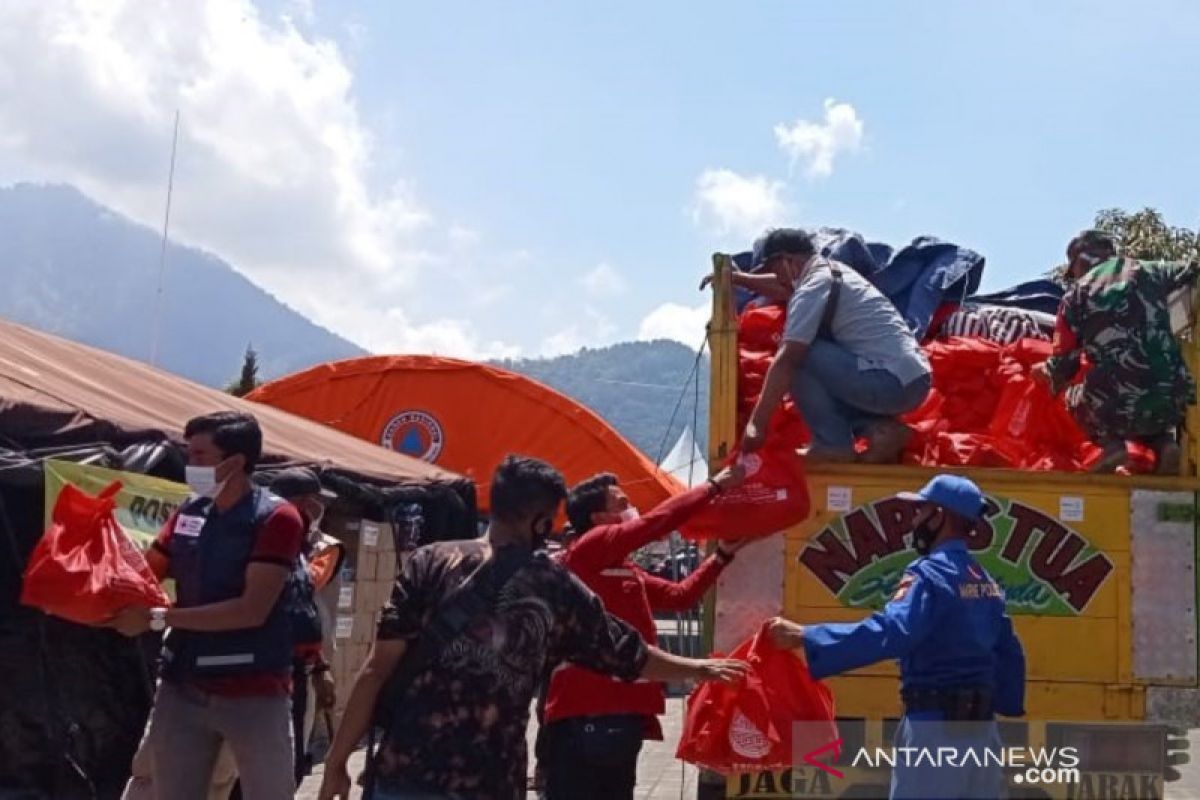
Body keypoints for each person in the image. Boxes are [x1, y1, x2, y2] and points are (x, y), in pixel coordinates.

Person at [317, 455, 749, 800]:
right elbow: (631, 657)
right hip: (491, 780)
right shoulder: (553, 583)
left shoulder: (429, 561)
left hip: (403, 772)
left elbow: (376, 670)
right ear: (542, 522)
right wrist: (700, 670)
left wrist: (337, 763)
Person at [767, 474, 1026, 800]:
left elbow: (893, 632)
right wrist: (1007, 703)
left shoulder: (929, 575)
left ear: (940, 516)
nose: (914, 520)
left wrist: (807, 636)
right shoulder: (985, 581)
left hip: (935, 731)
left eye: (920, 511)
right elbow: (1009, 652)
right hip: (982, 734)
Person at [111, 411, 304, 800]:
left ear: (234, 462)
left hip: (254, 689)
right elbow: (145, 574)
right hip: (184, 685)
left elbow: (252, 609)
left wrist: (157, 619)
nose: (189, 465)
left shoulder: (276, 518)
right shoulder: (189, 513)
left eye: (199, 456)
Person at [537, 466, 749, 800]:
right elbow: (655, 524)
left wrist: (721, 556)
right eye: (621, 504)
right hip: (587, 713)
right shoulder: (590, 546)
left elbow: (680, 597)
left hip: (620, 716)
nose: (631, 510)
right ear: (598, 518)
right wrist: (714, 486)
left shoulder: (622, 567)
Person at [738, 228, 932, 464]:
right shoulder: (831, 272)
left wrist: (756, 425)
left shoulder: (812, 287)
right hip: (911, 380)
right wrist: (739, 279)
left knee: (799, 357)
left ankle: (833, 445)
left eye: (774, 270)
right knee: (823, 374)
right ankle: (881, 430)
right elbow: (784, 287)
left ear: (788, 261)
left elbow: (788, 359)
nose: (775, 278)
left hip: (889, 382)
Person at [1033, 229, 1200, 474]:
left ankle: (1113, 446)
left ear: (1081, 261)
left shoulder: (1076, 295)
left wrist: (1044, 372)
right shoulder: (1151, 270)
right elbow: (1192, 270)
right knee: (1152, 395)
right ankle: (1165, 445)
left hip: (1117, 399)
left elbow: (1064, 365)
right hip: (1171, 392)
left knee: (1074, 397)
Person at [269, 467, 345, 788]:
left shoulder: (324, 546)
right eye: (314, 502)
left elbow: (308, 583)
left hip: (313, 651)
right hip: (275, 654)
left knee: (298, 730)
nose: (320, 510)